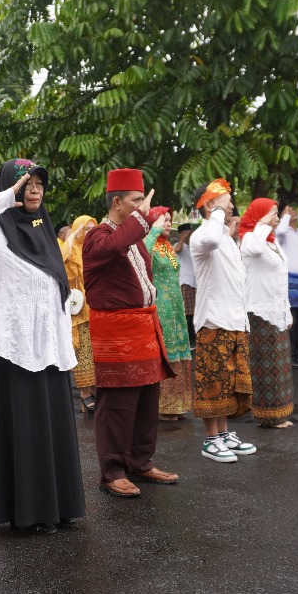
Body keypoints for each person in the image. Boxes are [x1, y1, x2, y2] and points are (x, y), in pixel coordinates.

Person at [0, 159, 86, 534]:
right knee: (27, 433)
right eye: (26, 182)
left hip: (51, 352)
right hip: (16, 351)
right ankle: (29, 512)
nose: (34, 189)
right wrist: (4, 197)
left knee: (55, 431)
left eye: (40, 183)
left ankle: (60, 507)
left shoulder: (44, 232)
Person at [82, 169, 178, 498]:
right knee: (117, 405)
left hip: (142, 328)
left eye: (142, 201)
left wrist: (138, 219)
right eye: (136, 201)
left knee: (147, 400)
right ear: (118, 202)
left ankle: (140, 462)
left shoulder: (133, 237)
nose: (142, 207)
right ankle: (112, 471)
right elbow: (115, 244)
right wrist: (142, 216)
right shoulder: (98, 236)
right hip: (116, 333)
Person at [188, 179, 257, 463]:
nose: (231, 204)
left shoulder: (226, 238)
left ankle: (224, 433)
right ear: (208, 205)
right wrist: (215, 211)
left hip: (234, 320)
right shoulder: (202, 236)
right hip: (213, 320)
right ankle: (210, 440)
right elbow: (212, 238)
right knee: (212, 381)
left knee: (228, 381)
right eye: (225, 199)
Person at [239, 198, 295, 429]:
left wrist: (287, 311)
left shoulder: (272, 242)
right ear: (260, 216)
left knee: (280, 366)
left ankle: (279, 413)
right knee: (266, 367)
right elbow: (254, 248)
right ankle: (267, 415)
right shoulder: (250, 239)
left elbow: (281, 278)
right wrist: (262, 224)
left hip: (277, 310)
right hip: (260, 312)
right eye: (272, 213)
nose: (276, 217)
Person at [145, 206, 193, 420]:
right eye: (163, 220)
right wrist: (152, 231)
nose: (167, 224)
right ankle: (163, 406)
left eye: (168, 220)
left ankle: (178, 405)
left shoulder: (168, 247)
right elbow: (143, 253)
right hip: (160, 306)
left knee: (179, 350)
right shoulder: (150, 245)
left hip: (175, 306)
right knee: (165, 353)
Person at [62, 214, 98, 413]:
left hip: (97, 307)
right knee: (83, 351)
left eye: (94, 229)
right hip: (79, 309)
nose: (91, 233)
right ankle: (85, 393)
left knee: (96, 352)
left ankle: (95, 388)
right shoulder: (72, 250)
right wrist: (72, 236)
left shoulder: (96, 249)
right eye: (87, 229)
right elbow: (59, 258)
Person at [275, 203, 298, 367]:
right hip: (289, 279)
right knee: (291, 318)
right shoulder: (284, 232)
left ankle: (297, 353)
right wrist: (285, 216)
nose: (293, 211)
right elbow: (280, 231)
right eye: (289, 210)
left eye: (293, 209)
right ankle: (289, 355)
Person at [174, 222, 198, 341]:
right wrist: (183, 237)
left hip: (196, 283)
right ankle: (190, 339)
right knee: (188, 313)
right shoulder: (178, 245)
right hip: (185, 283)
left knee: (196, 312)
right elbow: (177, 250)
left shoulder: (194, 246)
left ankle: (195, 337)